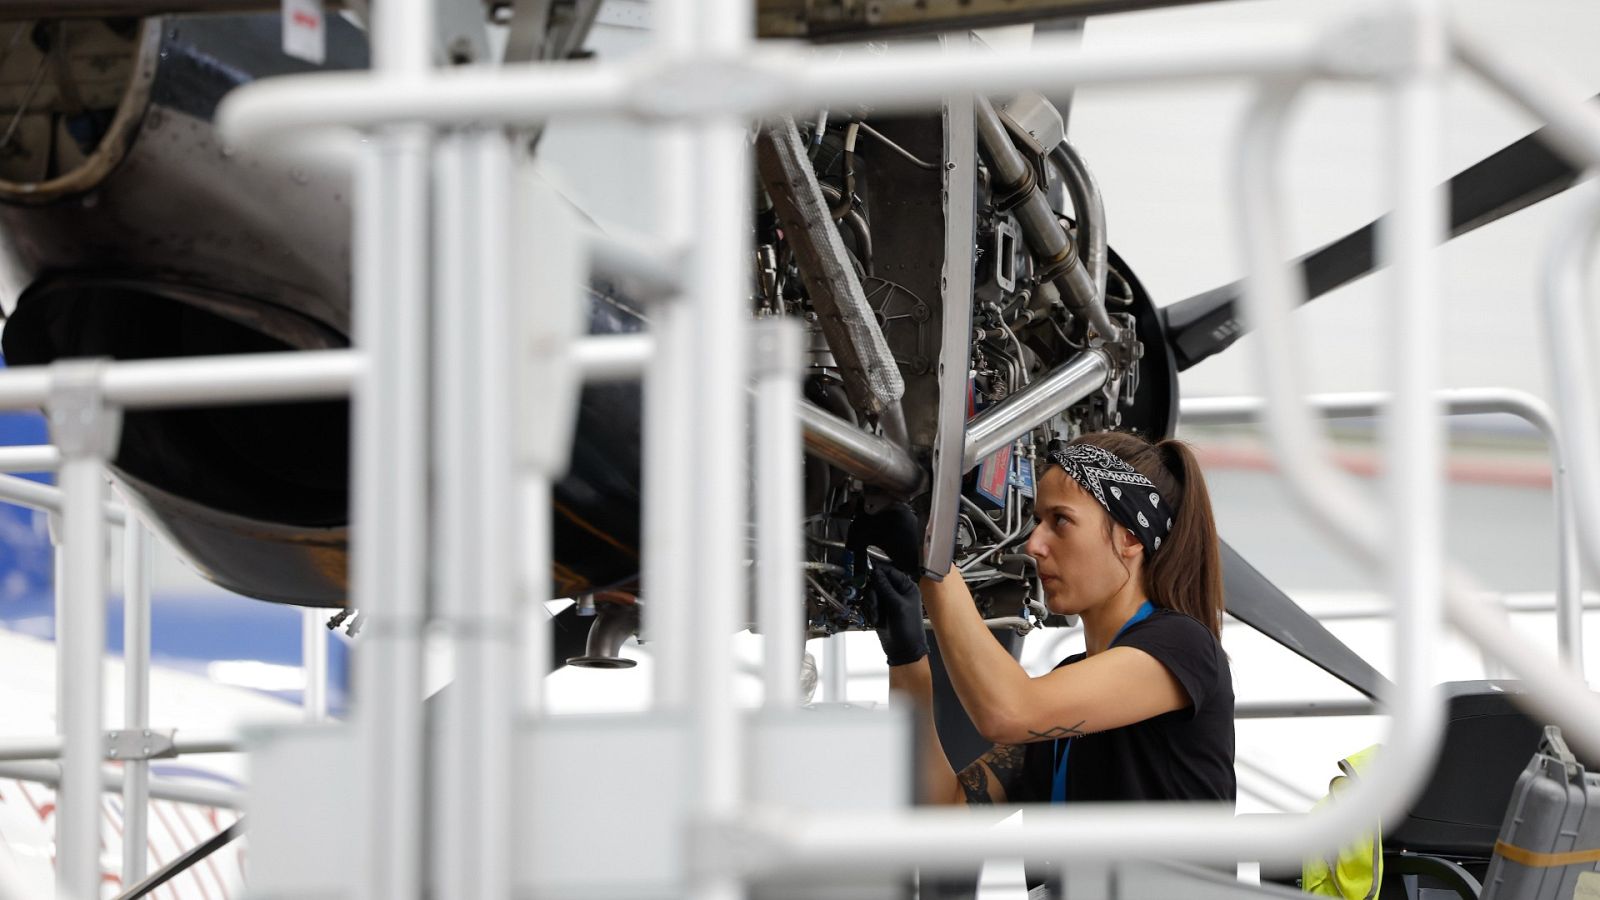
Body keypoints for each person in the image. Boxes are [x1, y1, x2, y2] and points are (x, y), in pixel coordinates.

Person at [854, 431, 1235, 807]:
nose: (1034, 544)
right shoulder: (1062, 696)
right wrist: (908, 658)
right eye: (1038, 521)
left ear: (1131, 538)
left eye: (1061, 520)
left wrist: (935, 566)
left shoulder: (1182, 646)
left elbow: (1008, 712)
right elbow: (943, 812)